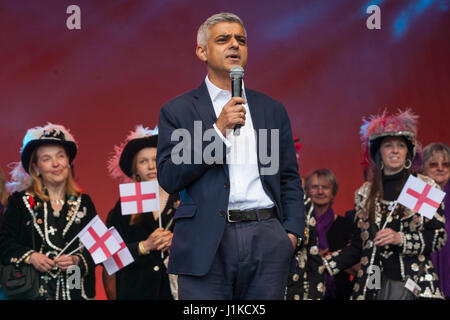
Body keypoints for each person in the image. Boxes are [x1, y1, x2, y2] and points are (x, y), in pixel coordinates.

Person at [156, 12, 305, 300]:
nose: (234, 45)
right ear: (201, 51)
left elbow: (288, 177)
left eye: (241, 40)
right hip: (205, 240)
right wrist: (218, 130)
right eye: (223, 39)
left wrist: (291, 235)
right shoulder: (178, 110)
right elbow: (170, 176)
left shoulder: (271, 109)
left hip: (267, 237)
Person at [322, 110, 447, 300]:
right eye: (388, 145)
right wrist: (322, 264)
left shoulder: (422, 187)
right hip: (374, 284)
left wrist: (400, 238)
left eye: (400, 145)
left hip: (416, 285)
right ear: (378, 152)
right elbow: (358, 246)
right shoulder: (365, 194)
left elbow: (438, 237)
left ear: (408, 151)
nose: (395, 150)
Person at [0, 123, 96, 300]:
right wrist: (31, 256)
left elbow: (99, 249)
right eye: (46, 158)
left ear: (68, 162)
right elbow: (4, 243)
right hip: (33, 292)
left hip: (75, 289)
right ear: (35, 168)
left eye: (61, 156)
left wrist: (76, 261)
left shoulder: (84, 203)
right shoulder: (20, 202)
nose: (56, 163)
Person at [103, 125, 178, 300]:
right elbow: (109, 257)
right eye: (143, 161)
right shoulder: (124, 205)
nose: (151, 166)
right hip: (136, 291)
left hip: (176, 291)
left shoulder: (184, 197)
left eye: (155, 159)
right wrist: (144, 246)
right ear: (135, 169)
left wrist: (177, 242)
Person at [287, 169, 354, 300]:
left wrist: (326, 259)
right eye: (314, 187)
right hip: (302, 290)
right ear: (305, 191)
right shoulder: (297, 224)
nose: (320, 192)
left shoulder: (346, 225)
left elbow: (357, 264)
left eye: (325, 187)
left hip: (339, 293)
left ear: (333, 192)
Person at [421, 142, 450, 299]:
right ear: (423, 167)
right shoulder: (418, 191)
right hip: (424, 269)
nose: (440, 168)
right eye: (433, 164)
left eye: (446, 164)